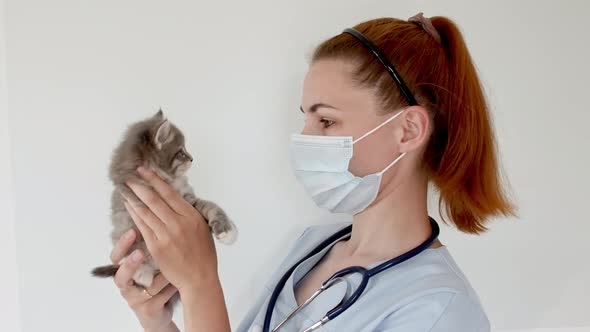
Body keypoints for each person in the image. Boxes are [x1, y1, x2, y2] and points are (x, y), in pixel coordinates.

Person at [110, 12, 515, 332]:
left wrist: (201, 287)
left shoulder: (439, 311)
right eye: (305, 119)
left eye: (326, 122)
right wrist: (158, 321)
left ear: (407, 130)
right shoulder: (313, 247)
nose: (303, 139)